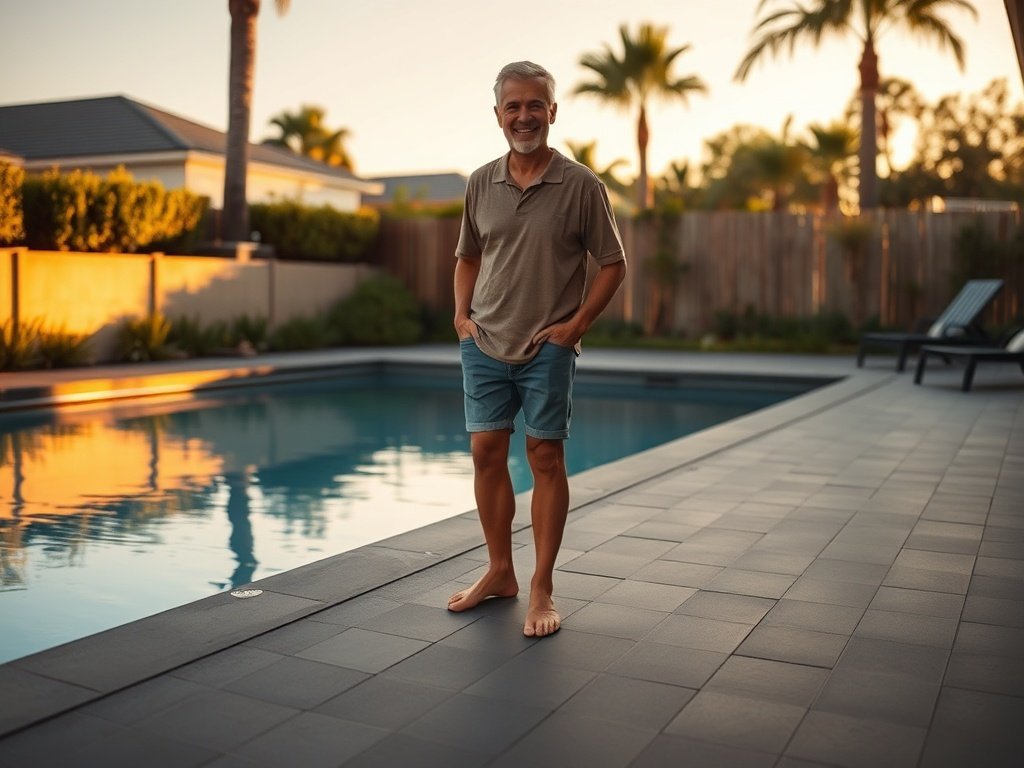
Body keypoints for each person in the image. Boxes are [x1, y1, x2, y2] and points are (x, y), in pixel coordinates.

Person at [448, 61, 627, 637]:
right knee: (484, 452)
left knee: (545, 459)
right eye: (513, 106)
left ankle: (542, 585)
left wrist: (575, 326)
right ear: (498, 115)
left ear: (552, 111)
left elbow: (613, 263)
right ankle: (501, 570)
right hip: (484, 340)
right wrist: (460, 314)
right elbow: (468, 256)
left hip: (548, 342)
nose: (523, 116)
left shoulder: (581, 186)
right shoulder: (480, 181)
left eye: (535, 105)